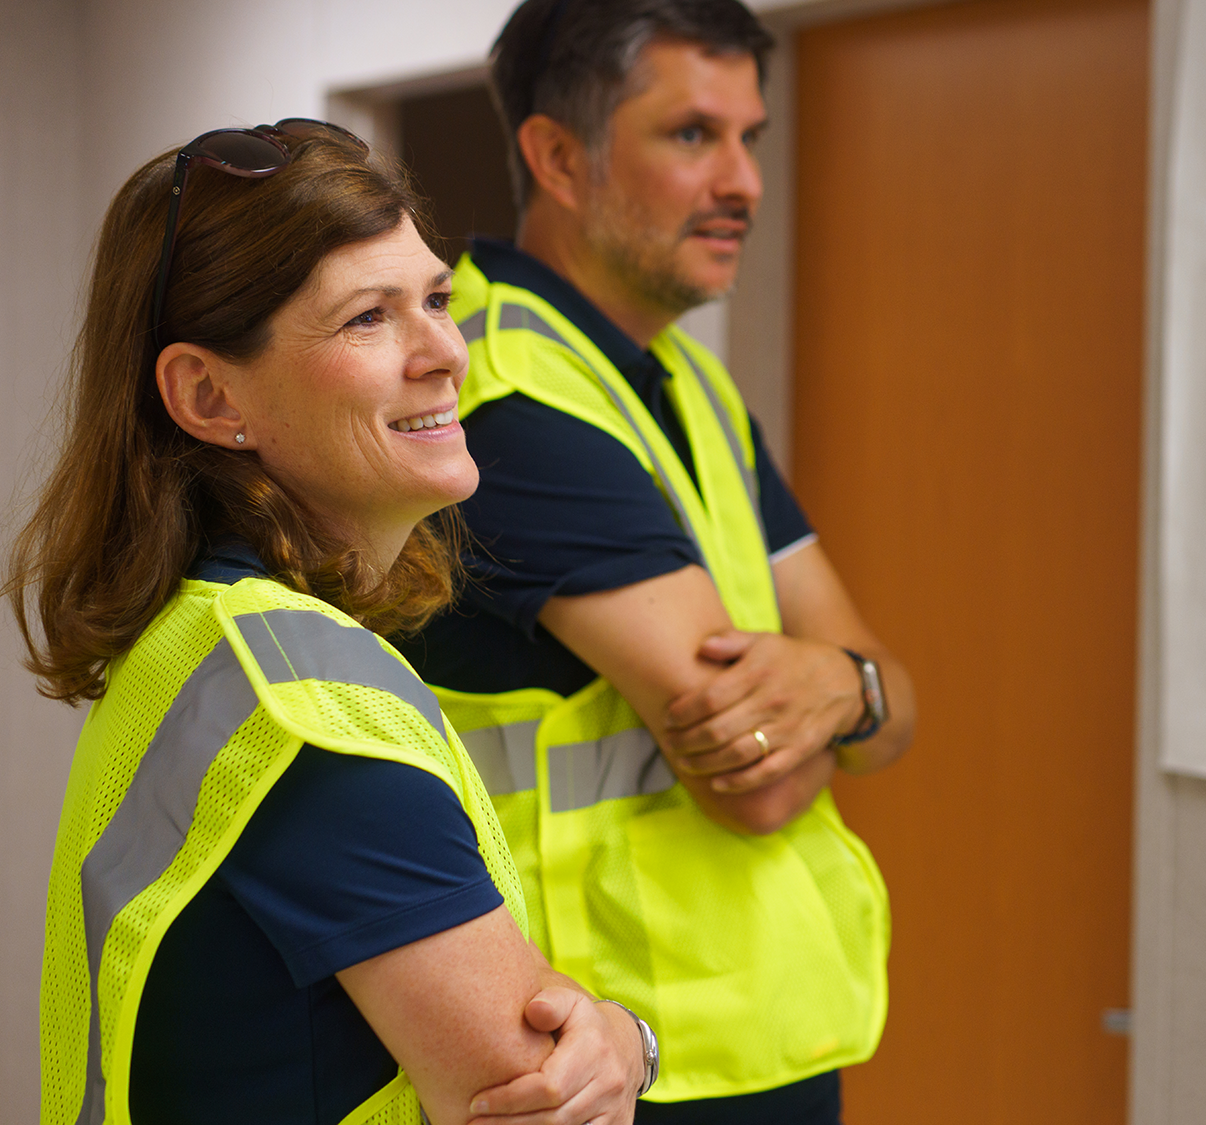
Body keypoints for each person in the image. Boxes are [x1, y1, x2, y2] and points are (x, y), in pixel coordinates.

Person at [12, 120, 655, 1125]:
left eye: (438, 299)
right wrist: (626, 1042)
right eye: (368, 318)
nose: (445, 350)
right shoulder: (307, 711)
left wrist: (620, 1037)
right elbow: (546, 1104)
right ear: (208, 393)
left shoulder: (207, 641)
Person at [396, 1, 917, 1120]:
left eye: (750, 138)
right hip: (599, 1055)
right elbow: (762, 783)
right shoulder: (509, 401)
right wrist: (839, 689)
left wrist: (848, 685)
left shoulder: (689, 388)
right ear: (557, 157)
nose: (743, 182)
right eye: (691, 136)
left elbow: (889, 695)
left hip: (751, 1039)